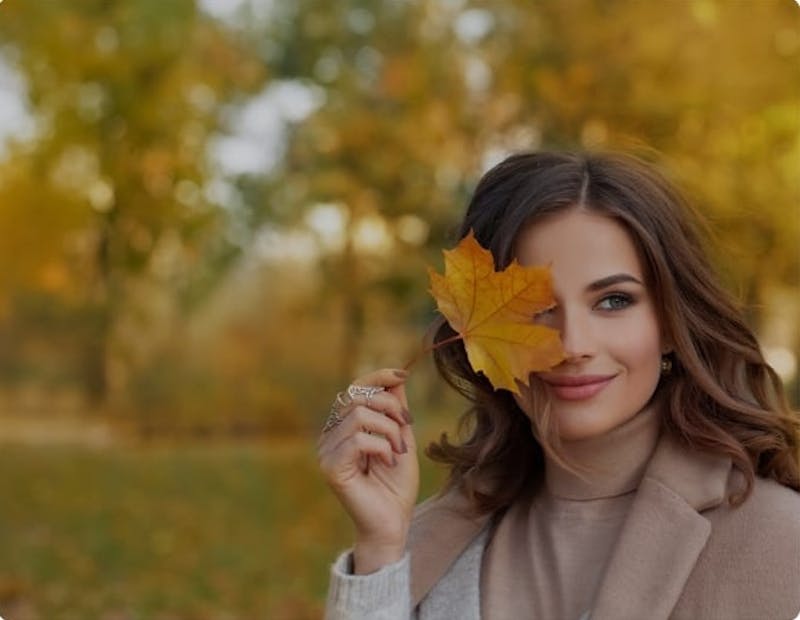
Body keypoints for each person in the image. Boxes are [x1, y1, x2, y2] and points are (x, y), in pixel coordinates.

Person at [317, 151, 800, 620]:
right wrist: (379, 551)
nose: (572, 344)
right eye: (535, 310)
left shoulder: (780, 542)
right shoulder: (423, 544)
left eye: (613, 301)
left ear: (671, 325)